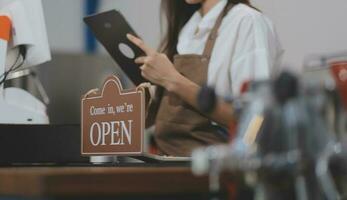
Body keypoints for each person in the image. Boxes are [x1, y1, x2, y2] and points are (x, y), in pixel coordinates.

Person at [127, 0, 283, 156]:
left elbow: (255, 119)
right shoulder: (188, 28)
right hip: (167, 163)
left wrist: (173, 80)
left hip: (218, 170)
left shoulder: (247, 21)